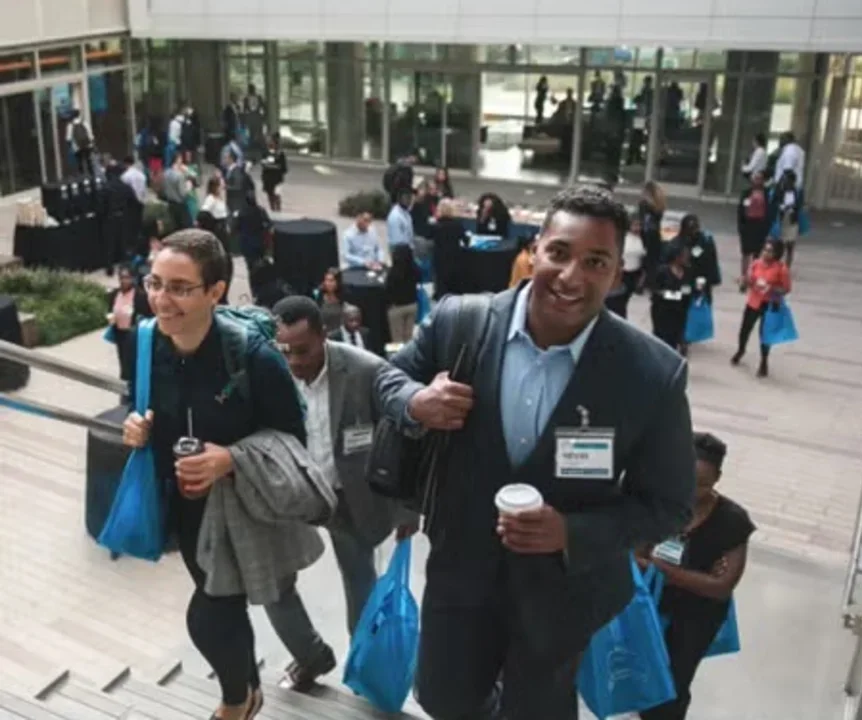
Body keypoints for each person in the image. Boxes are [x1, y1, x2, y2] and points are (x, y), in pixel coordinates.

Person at [374, 185, 696, 720]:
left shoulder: (651, 375)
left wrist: (571, 531)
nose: (572, 276)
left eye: (596, 262)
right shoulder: (463, 321)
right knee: (442, 698)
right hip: (462, 575)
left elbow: (671, 505)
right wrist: (415, 401)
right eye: (561, 253)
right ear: (535, 249)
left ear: (618, 274)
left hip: (561, 594)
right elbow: (384, 379)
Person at [120, 229, 307, 720]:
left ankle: (234, 702)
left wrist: (230, 459)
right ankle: (249, 689)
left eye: (180, 287)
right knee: (225, 607)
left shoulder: (252, 358)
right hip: (182, 507)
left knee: (207, 615)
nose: (162, 299)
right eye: (155, 283)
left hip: (240, 510)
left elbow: (293, 438)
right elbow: (139, 402)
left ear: (215, 292)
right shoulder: (146, 343)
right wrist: (137, 425)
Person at [266, 296, 418, 691]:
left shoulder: (366, 371)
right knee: (271, 581)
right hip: (292, 494)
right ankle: (311, 657)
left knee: (359, 580)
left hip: (350, 497)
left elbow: (403, 436)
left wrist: (406, 508)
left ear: (324, 336)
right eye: (286, 351)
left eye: (303, 350)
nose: (294, 361)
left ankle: (363, 660)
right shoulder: (269, 370)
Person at [638, 432, 754, 720]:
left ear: (718, 478)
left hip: (696, 616)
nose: (693, 491)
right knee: (639, 673)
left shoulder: (732, 521)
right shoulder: (658, 500)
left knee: (675, 682)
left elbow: (722, 587)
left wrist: (660, 569)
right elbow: (633, 554)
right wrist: (696, 577)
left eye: (703, 484)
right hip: (647, 606)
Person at [731, 239, 792, 378]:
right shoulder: (756, 263)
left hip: (769, 304)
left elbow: (786, 288)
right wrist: (744, 282)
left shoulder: (781, 269)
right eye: (765, 250)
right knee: (745, 329)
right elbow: (749, 279)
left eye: (770, 251)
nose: (766, 253)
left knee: (764, 334)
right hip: (754, 301)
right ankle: (741, 350)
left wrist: (772, 288)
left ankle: (764, 361)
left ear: (776, 253)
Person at [106, 266, 151, 379]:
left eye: (127, 277)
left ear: (133, 278)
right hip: (119, 332)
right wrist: (110, 318)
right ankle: (125, 384)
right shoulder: (115, 294)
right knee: (123, 361)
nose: (123, 280)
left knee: (132, 362)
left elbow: (148, 315)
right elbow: (110, 309)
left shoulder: (140, 295)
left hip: (133, 334)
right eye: (121, 277)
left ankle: (130, 384)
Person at [650, 240, 692, 353]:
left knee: (674, 343)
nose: (687, 258)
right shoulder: (663, 271)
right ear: (677, 257)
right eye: (684, 255)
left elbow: (687, 291)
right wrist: (676, 295)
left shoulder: (687, 272)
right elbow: (655, 291)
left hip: (679, 314)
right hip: (663, 314)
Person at [675, 214, 721, 304]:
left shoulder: (704, 242)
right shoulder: (705, 239)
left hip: (700, 277)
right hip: (696, 278)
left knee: (698, 297)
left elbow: (705, 263)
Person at [737, 171, 772, 281]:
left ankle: (754, 274)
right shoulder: (746, 193)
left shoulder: (767, 193)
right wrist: (740, 225)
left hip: (760, 225)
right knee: (746, 251)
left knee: (757, 252)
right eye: (755, 178)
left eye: (760, 178)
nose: (757, 181)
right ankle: (743, 275)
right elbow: (740, 210)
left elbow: (770, 210)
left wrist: (767, 226)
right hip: (748, 224)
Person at [431, 198, 467, 299]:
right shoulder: (457, 225)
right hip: (454, 259)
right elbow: (466, 240)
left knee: (441, 285)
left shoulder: (436, 226)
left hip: (440, 259)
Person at [385, 243, 421, 343]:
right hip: (412, 306)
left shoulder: (393, 273)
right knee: (409, 338)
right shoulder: (415, 269)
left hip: (397, 309)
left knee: (397, 341)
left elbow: (388, 291)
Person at [771, 169, 803, 269]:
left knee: (790, 245)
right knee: (779, 244)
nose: (786, 182)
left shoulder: (797, 192)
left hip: (792, 220)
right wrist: (781, 206)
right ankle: (776, 265)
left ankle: (787, 268)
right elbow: (773, 203)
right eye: (784, 180)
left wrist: (793, 208)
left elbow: (800, 205)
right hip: (781, 219)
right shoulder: (779, 190)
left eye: (788, 180)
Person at [638, 181, 666, 290]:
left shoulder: (644, 204)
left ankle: (641, 283)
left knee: (645, 259)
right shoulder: (659, 205)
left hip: (647, 234)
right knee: (653, 260)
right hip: (655, 234)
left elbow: (643, 221)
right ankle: (652, 283)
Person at [162, 152, 192, 231]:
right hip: (180, 206)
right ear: (177, 160)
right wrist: (188, 187)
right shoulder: (179, 176)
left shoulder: (166, 173)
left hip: (170, 204)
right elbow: (183, 194)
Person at [261, 133, 287, 212]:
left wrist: (276, 167)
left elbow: (284, 167)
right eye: (269, 142)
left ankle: (278, 208)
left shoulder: (280, 154)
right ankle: (272, 208)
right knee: (270, 194)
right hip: (267, 178)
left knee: (277, 194)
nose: (270, 143)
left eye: (271, 142)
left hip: (277, 178)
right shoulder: (265, 152)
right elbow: (263, 163)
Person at [622, 213, 645, 294]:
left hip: (635, 273)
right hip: (622, 273)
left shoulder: (643, 239)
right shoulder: (623, 237)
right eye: (635, 225)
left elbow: (643, 259)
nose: (637, 228)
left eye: (639, 225)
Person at [66, 110, 95, 176]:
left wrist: (70, 146)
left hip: (77, 146)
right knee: (89, 160)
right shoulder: (84, 122)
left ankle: (82, 175)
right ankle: (91, 175)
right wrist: (92, 143)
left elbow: (68, 138)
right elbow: (90, 134)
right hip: (87, 144)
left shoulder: (70, 125)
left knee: (79, 162)